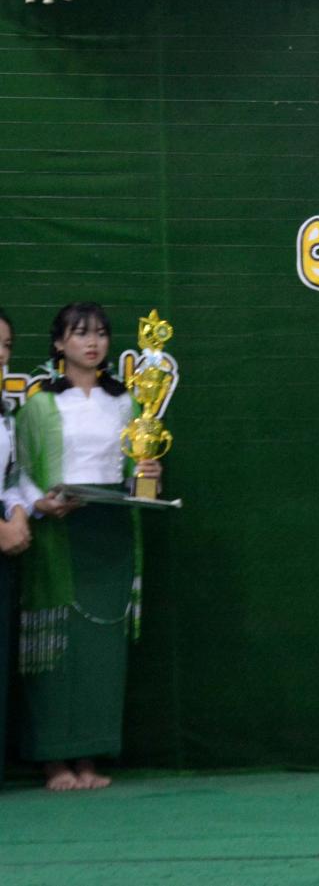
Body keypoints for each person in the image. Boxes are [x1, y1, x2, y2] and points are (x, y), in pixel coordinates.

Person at [13, 302, 162, 792]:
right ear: (59, 344)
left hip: (110, 530)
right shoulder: (39, 406)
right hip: (58, 532)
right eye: (80, 334)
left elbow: (133, 471)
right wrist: (41, 504)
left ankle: (90, 756)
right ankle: (54, 761)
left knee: (101, 650)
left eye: (100, 333)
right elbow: (20, 475)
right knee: (56, 649)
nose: (92, 342)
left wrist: (149, 475)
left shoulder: (126, 404)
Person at [0, 308, 36, 786]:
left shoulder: (6, 413)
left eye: (6, 345)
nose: (1, 354)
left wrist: (19, 514)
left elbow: (11, 479)